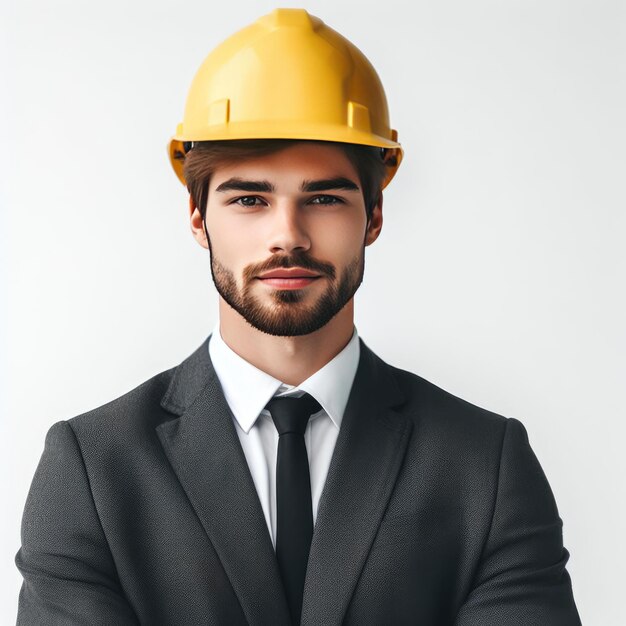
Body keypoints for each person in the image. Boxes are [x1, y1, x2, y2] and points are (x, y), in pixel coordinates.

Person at [15, 8, 581, 625]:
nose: (287, 235)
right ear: (199, 218)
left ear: (374, 216)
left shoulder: (483, 463)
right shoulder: (93, 466)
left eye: (324, 198)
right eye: (250, 199)